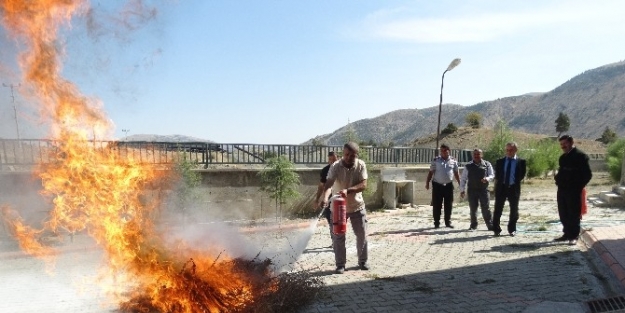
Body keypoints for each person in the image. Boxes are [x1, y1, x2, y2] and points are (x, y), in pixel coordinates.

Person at [321, 142, 368, 274]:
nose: (348, 158)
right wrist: (325, 197)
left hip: (357, 206)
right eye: (346, 154)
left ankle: (363, 261)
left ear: (356, 155)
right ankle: (340, 265)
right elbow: (329, 184)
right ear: (343, 153)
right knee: (339, 237)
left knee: (362, 234)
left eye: (352, 156)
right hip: (338, 207)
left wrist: (348, 190)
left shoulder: (361, 165)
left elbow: (363, 184)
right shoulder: (335, 166)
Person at [554, 135, 592, 245]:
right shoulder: (563, 158)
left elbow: (587, 175)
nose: (563, 146)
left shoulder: (581, 156)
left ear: (571, 142)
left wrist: (578, 187)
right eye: (561, 145)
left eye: (565, 144)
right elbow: (561, 172)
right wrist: (558, 180)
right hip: (562, 190)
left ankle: (574, 236)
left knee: (573, 213)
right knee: (563, 212)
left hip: (574, 190)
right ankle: (566, 233)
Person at [492, 142, 527, 237]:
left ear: (516, 150)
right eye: (507, 150)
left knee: (514, 210)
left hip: (513, 188)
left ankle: (512, 229)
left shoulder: (521, 162)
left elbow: (521, 175)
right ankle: (496, 229)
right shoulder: (500, 161)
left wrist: (513, 182)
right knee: (498, 209)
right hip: (501, 188)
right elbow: (498, 175)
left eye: (511, 150)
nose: (508, 152)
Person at [425, 144, 460, 229]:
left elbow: (456, 173)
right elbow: (431, 172)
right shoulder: (436, 160)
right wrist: (427, 182)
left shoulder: (453, 161)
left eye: (445, 150)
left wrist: (460, 183)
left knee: (448, 205)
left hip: (448, 186)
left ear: (449, 150)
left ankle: (448, 222)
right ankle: (436, 223)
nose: (443, 152)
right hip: (437, 186)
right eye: (442, 150)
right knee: (437, 205)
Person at [459, 149, 494, 231]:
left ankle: (490, 225)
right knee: (473, 208)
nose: (476, 156)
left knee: (486, 207)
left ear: (482, 155)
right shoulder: (468, 165)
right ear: (472, 155)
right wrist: (462, 190)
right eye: (475, 154)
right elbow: (463, 179)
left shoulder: (487, 164)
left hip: (483, 190)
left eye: (478, 154)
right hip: (472, 190)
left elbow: (492, 175)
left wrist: (487, 178)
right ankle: (473, 225)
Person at [314, 151, 338, 247]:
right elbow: (321, 186)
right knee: (330, 220)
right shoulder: (325, 170)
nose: (332, 161)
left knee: (338, 221)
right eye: (330, 159)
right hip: (328, 200)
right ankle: (335, 241)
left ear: (338, 158)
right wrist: (317, 199)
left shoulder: (343, 169)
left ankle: (338, 241)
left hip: (341, 199)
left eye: (334, 159)